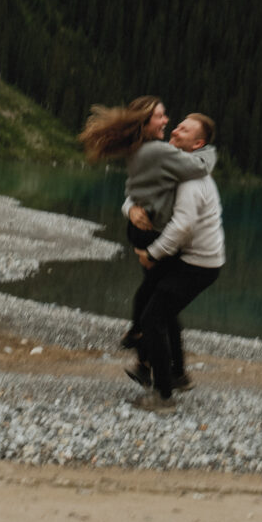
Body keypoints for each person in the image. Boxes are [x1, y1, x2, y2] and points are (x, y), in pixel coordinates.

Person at [79, 96, 216, 345]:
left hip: (142, 228)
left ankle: (148, 349)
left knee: (157, 289)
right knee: (158, 293)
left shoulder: (144, 149)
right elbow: (200, 168)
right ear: (144, 123)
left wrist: (129, 208)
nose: (167, 122)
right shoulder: (158, 151)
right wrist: (210, 152)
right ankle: (141, 339)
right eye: (160, 116)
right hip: (151, 231)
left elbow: (136, 193)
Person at [128, 113, 225, 411]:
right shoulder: (176, 169)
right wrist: (130, 208)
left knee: (153, 317)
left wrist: (152, 254)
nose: (176, 129)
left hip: (198, 264)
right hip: (187, 258)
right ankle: (176, 374)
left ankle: (164, 396)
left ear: (198, 144)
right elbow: (140, 188)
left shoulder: (193, 181)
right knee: (158, 309)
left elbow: (183, 226)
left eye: (185, 129)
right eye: (178, 125)